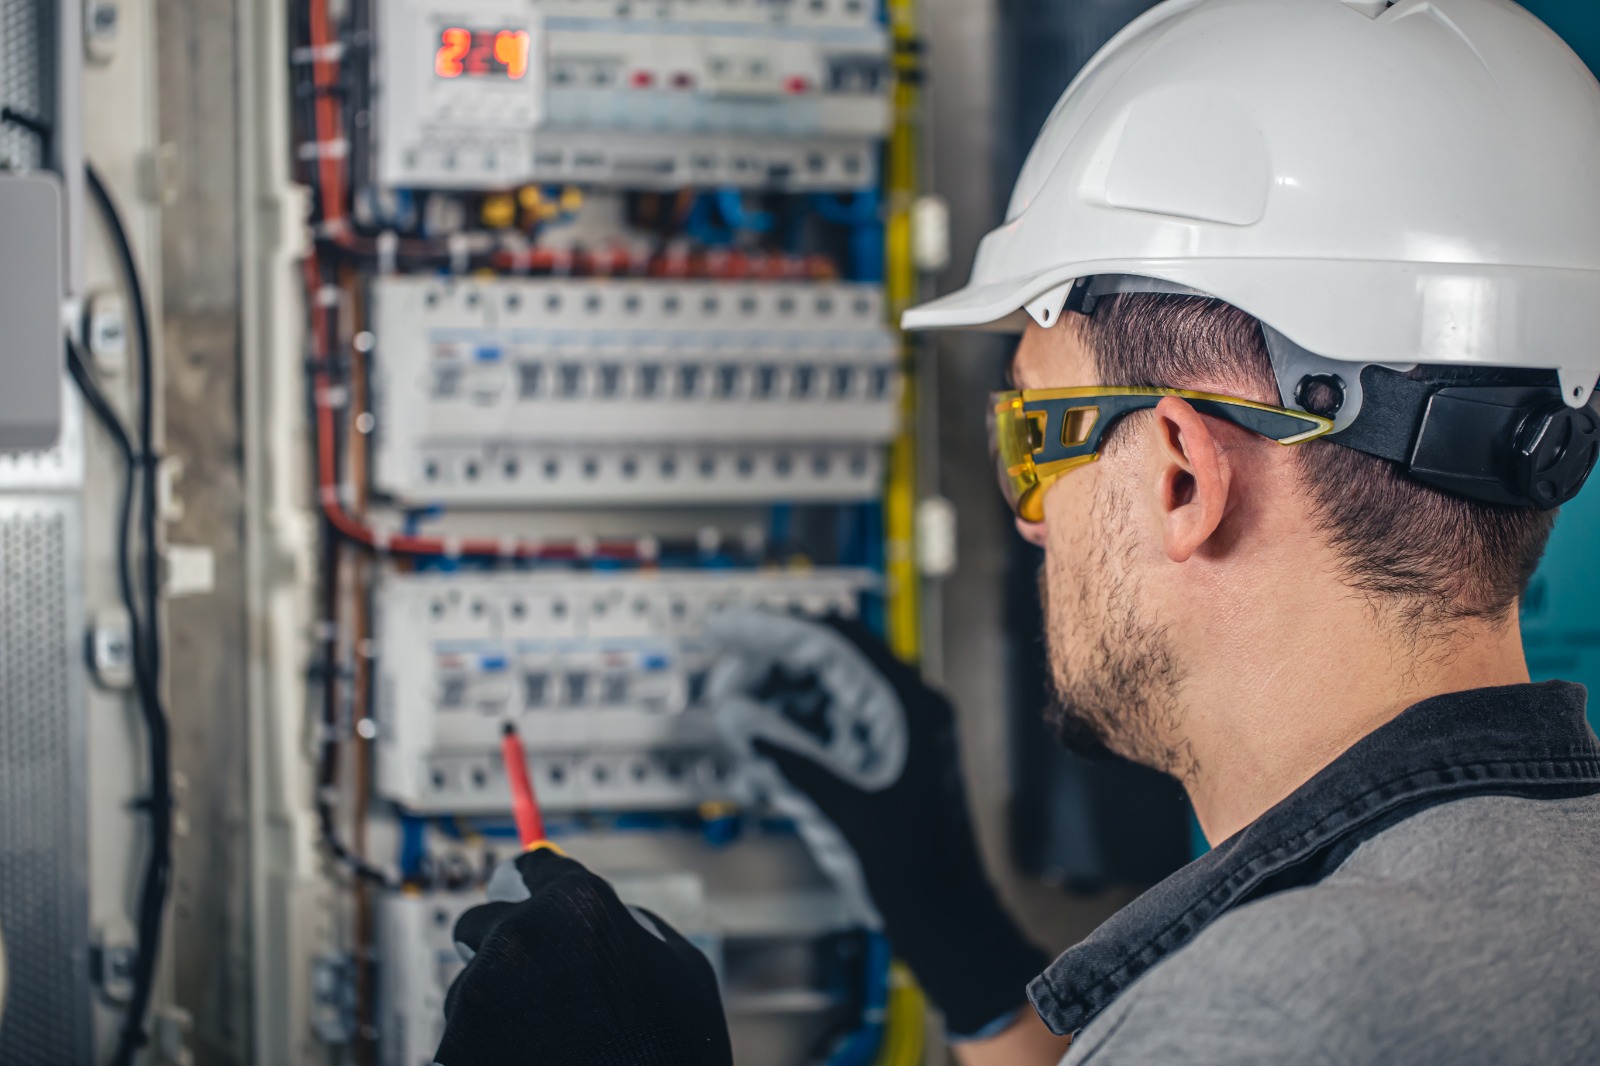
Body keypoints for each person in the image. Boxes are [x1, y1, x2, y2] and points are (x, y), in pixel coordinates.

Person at [432, 0, 1600, 1062]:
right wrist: (956, 934)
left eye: (1036, 438)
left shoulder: (1271, 1011)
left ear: (1183, 475)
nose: (1031, 520)